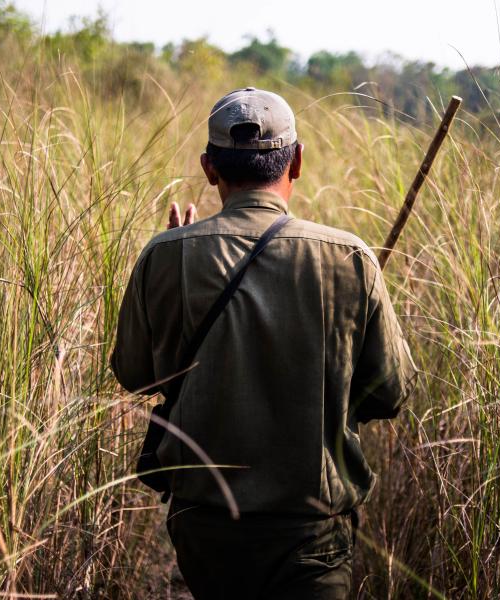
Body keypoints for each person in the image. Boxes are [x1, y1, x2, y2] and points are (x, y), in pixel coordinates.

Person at [111, 87, 416, 599]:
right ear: (296, 161)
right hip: (311, 538)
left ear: (210, 169)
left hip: (206, 531)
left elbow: (136, 375)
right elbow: (391, 393)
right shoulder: (351, 258)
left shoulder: (163, 255)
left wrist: (176, 262)